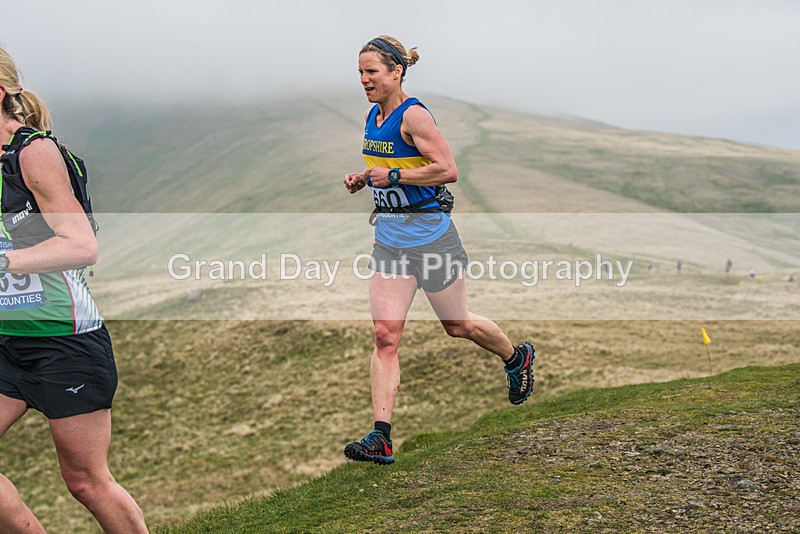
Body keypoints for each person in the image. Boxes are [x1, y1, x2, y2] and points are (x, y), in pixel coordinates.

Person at [342, 36, 535, 465]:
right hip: (390, 241)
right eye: (360, 72)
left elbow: (447, 170)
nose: (364, 80)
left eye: (372, 72)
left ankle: (515, 357)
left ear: (397, 72)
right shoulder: (374, 116)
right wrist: (363, 178)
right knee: (384, 336)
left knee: (458, 324)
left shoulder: (414, 115)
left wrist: (391, 177)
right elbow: (395, 167)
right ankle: (382, 436)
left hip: (432, 240)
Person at [0, 47, 147, 533]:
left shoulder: (33, 153)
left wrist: (5, 260)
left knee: (84, 480)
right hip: (8, 342)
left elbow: (81, 245)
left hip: (65, 339)